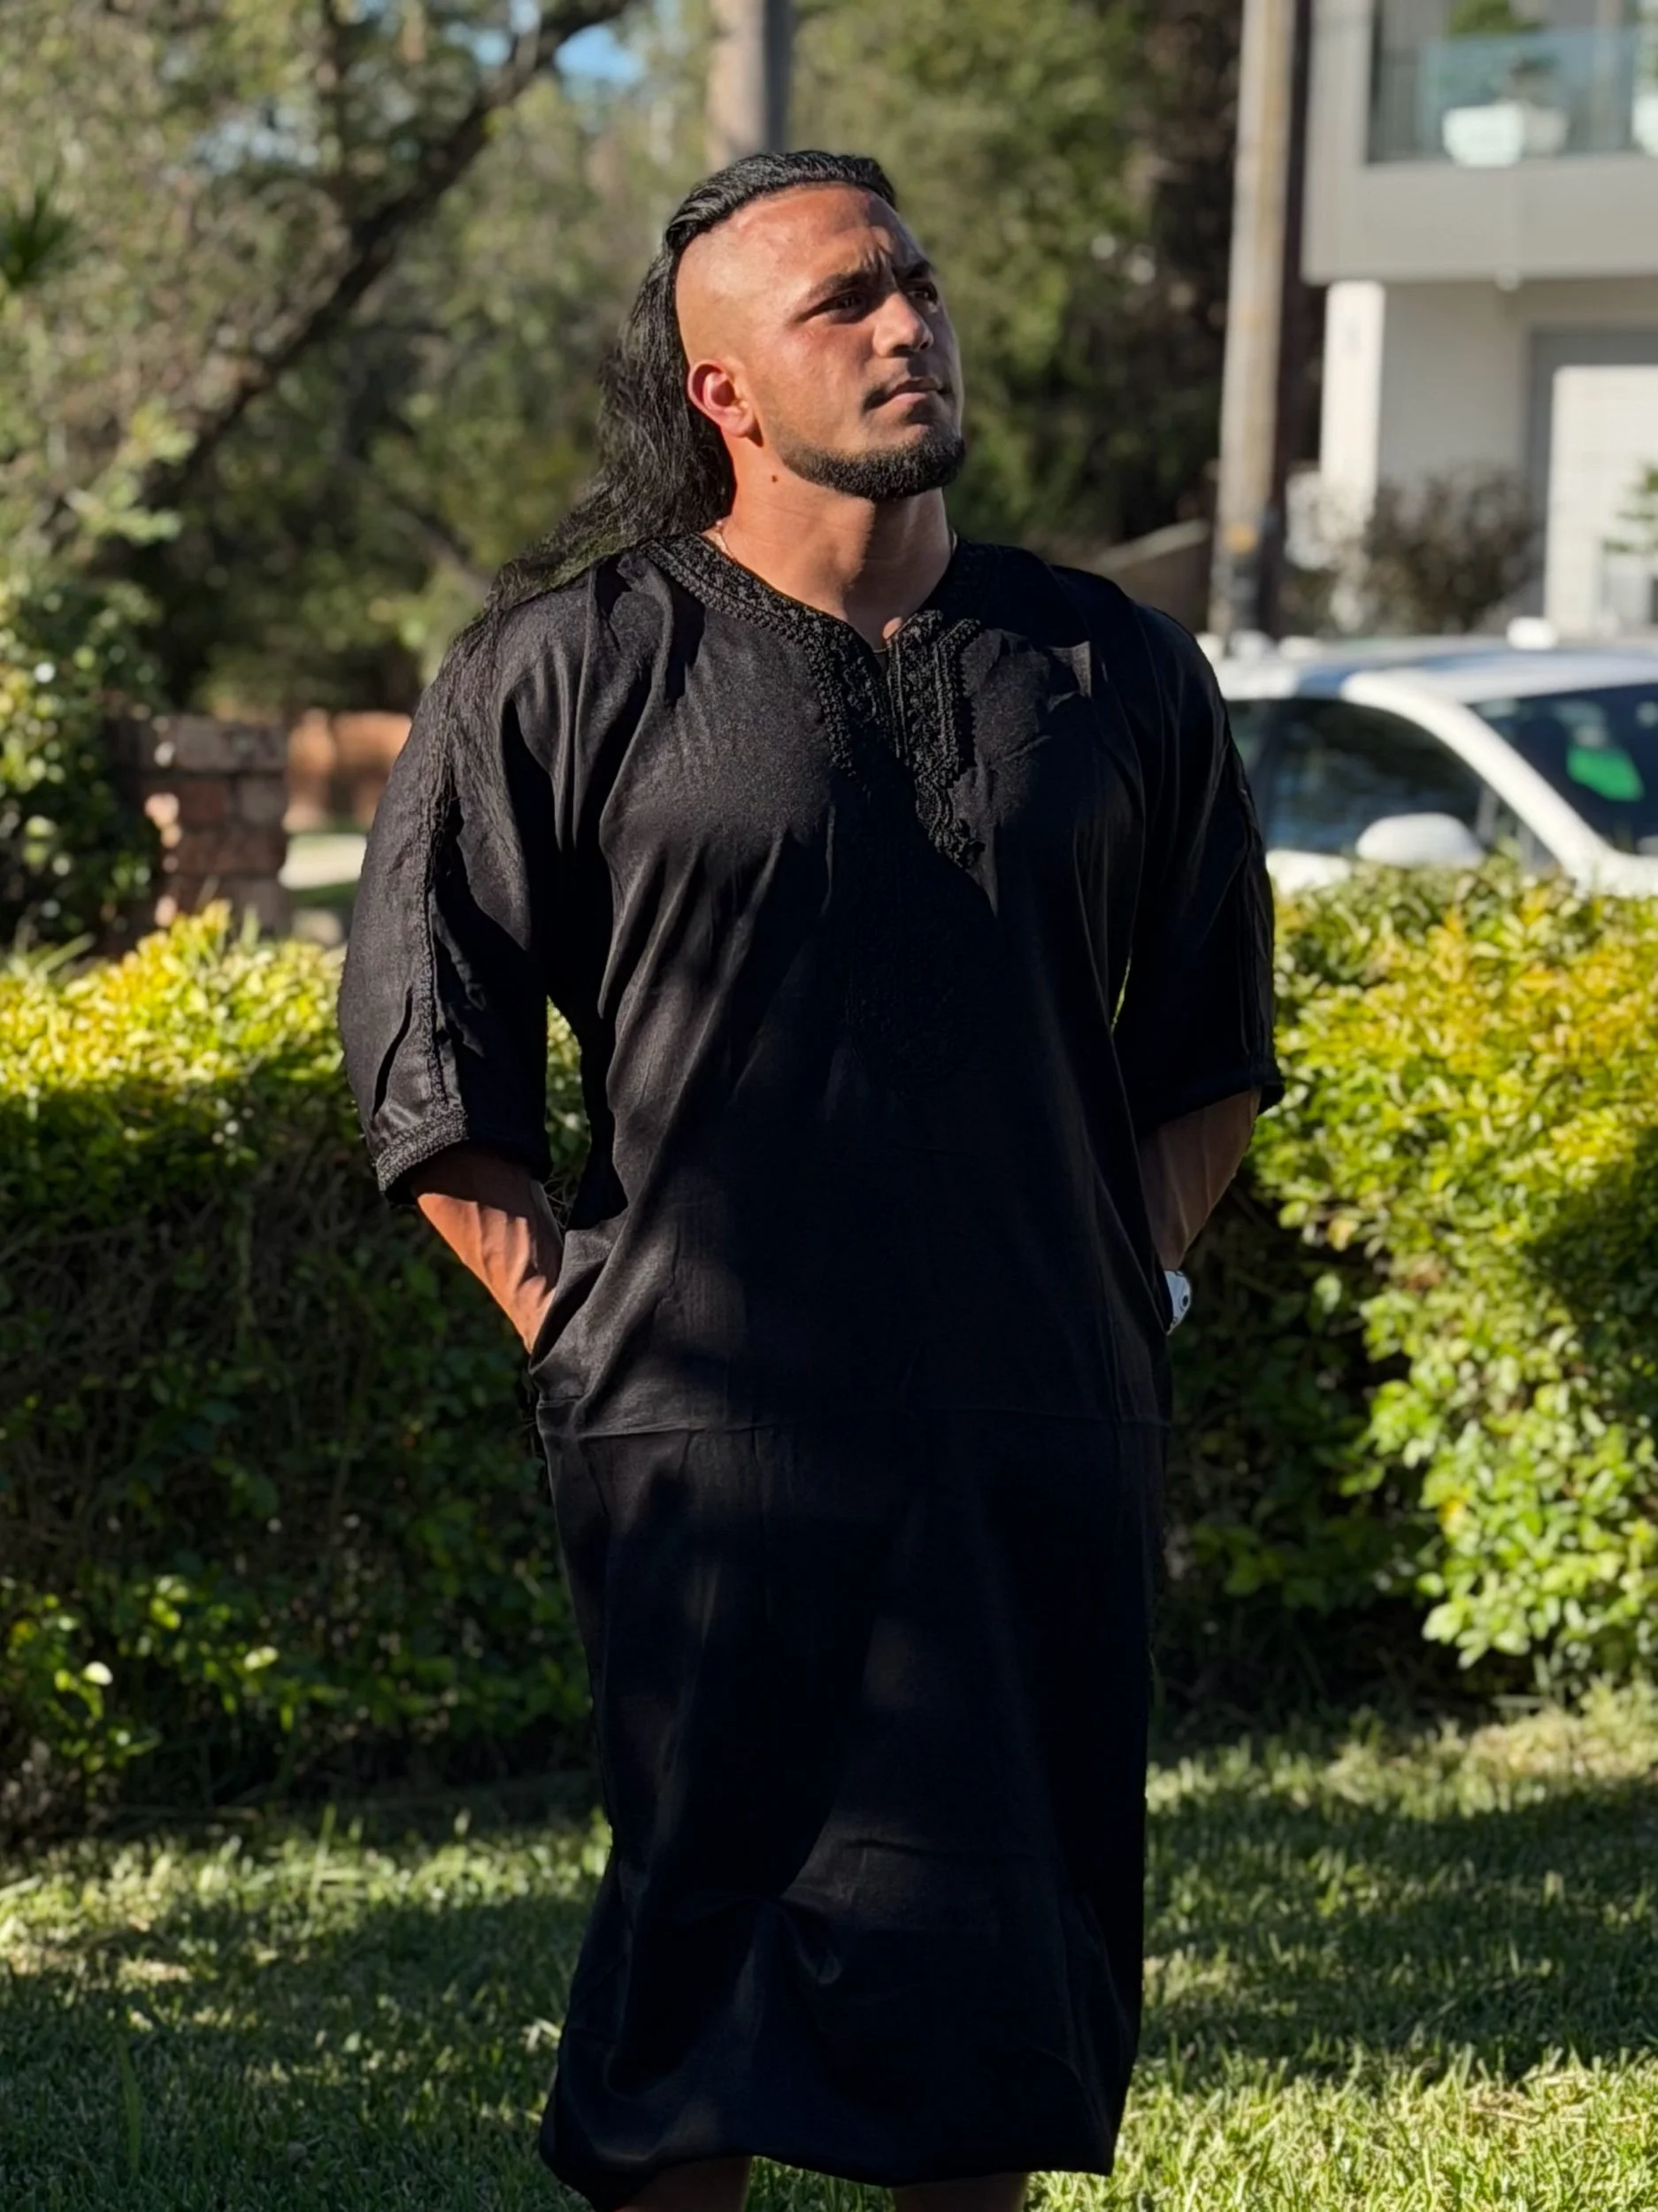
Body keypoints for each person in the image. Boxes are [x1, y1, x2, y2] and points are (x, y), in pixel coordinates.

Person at [337, 148, 1280, 2212]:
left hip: (1039, 1416)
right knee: (706, 1948)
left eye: (914, 280)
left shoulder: (1113, 668)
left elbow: (1211, 1041)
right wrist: (581, 1321)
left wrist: (1115, 1280)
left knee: (1008, 1940)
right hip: (708, 1431)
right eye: (842, 301)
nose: (907, 323)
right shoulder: (565, 666)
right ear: (725, 394)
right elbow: (429, 1045)